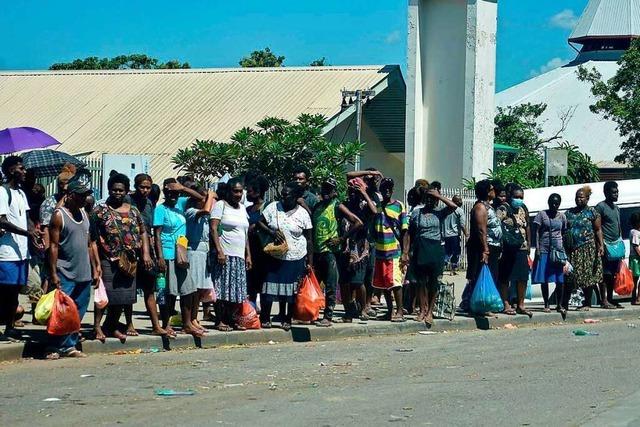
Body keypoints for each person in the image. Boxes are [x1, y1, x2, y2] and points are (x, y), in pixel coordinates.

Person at [92, 172, 153, 341]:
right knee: (104, 296)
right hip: (108, 259)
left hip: (130, 260)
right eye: (114, 190)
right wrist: (96, 263)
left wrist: (146, 254)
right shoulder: (100, 211)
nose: (117, 193)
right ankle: (97, 327)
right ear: (109, 190)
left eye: (121, 190)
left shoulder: (133, 211)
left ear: (126, 191)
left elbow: (143, 232)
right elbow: (92, 237)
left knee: (122, 298)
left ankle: (111, 327)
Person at [46, 178, 101, 358]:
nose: (83, 199)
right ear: (70, 196)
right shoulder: (59, 215)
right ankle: (53, 347)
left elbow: (88, 244)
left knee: (78, 311)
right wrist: (53, 273)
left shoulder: (85, 214)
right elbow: (53, 246)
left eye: (85, 196)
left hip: (83, 272)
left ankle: (69, 346)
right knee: (60, 312)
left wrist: (95, 267)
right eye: (79, 196)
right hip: (65, 271)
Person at [154, 178, 205, 337]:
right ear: (164, 192)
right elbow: (157, 234)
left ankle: (187, 323)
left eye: (175, 192)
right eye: (169, 192)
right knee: (169, 292)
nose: (173, 195)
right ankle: (166, 323)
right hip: (168, 253)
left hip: (182, 254)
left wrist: (182, 187)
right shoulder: (160, 209)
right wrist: (160, 257)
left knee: (188, 289)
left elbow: (200, 198)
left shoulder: (181, 204)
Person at [259, 182, 313, 330]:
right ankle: (265, 317)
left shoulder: (303, 213)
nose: (283, 197)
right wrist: (271, 232)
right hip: (275, 256)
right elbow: (259, 222)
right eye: (282, 194)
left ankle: (286, 318)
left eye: (287, 195)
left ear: (296, 197)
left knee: (289, 291)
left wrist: (309, 261)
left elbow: (309, 239)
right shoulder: (273, 207)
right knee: (269, 287)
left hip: (295, 257)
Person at [0, 156, 43, 340]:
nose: (24, 172)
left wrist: (33, 234)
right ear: (11, 170)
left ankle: (10, 327)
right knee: (5, 292)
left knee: (15, 292)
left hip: (21, 252)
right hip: (7, 253)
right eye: (21, 168)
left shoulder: (20, 193)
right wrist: (26, 233)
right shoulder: (2, 192)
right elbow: (2, 221)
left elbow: (26, 219)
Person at [402, 186, 458, 327]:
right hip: (421, 248)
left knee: (433, 282)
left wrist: (438, 196)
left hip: (436, 248)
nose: (429, 201)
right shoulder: (417, 213)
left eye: (432, 199)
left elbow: (453, 206)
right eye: (428, 198)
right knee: (421, 282)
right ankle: (422, 310)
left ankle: (430, 311)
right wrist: (406, 252)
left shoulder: (440, 213)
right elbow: (409, 233)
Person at [312, 178, 362, 326]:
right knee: (314, 283)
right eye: (324, 189)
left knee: (331, 284)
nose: (326, 192)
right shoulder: (318, 206)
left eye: (329, 190)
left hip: (331, 252)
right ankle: (310, 312)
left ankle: (328, 316)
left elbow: (358, 222)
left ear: (334, 192)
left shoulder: (337, 206)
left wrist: (341, 239)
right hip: (317, 250)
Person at [210, 178, 252, 331]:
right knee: (222, 290)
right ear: (229, 191)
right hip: (225, 255)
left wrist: (248, 255)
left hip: (239, 256)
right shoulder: (220, 205)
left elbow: (245, 233)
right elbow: (213, 228)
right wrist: (219, 250)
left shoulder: (242, 208)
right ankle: (220, 320)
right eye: (235, 191)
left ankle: (231, 319)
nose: (238, 194)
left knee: (236, 291)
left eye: (240, 191)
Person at [130, 174, 165, 336]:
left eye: (147, 187)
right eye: (142, 187)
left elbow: (149, 231)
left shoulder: (150, 203)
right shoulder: (127, 201)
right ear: (135, 186)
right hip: (130, 249)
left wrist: (153, 253)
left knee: (149, 289)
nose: (144, 190)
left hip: (147, 251)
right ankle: (129, 324)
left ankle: (156, 326)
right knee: (129, 290)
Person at [339, 178, 378, 322]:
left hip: (360, 247)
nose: (353, 193)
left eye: (356, 190)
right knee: (344, 281)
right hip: (345, 246)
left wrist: (364, 193)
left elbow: (375, 211)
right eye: (351, 190)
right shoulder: (345, 205)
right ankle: (348, 311)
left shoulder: (364, 205)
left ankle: (363, 308)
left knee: (357, 281)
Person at [347, 168, 384, 315]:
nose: (372, 181)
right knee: (357, 276)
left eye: (374, 179)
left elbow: (376, 212)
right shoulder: (355, 192)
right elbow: (349, 175)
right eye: (368, 178)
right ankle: (359, 305)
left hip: (371, 240)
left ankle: (367, 304)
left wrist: (364, 194)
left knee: (369, 276)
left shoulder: (376, 196)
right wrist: (368, 173)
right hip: (357, 240)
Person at [461, 179, 501, 313]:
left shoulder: (488, 206)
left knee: (489, 276)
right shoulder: (480, 207)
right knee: (479, 275)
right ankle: (474, 305)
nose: (493, 191)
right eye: (491, 189)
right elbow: (481, 230)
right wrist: (485, 249)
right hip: (482, 248)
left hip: (492, 247)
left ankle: (484, 305)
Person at [372, 178, 408, 322]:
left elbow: (405, 231)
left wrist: (405, 253)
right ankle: (389, 311)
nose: (387, 190)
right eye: (384, 188)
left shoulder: (399, 206)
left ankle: (400, 311)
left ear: (392, 190)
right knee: (385, 283)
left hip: (394, 250)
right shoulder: (377, 207)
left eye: (389, 188)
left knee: (395, 282)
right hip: (380, 250)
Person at [565, 186, 603, 311]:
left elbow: (598, 230)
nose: (578, 199)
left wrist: (601, 245)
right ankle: (564, 302)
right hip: (573, 250)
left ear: (587, 198)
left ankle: (587, 303)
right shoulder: (569, 213)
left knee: (587, 276)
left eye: (581, 197)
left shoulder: (592, 212)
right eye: (577, 197)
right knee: (572, 276)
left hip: (588, 248)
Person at [496, 185, 532, 317]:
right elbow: (495, 224)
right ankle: (506, 304)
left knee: (522, 277)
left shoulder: (524, 208)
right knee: (506, 277)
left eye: (521, 197)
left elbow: (527, 226)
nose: (519, 199)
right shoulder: (503, 208)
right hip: (508, 248)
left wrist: (528, 244)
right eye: (516, 197)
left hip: (521, 248)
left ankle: (521, 304)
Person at [532, 193, 569, 318]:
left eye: (557, 203)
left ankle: (559, 304)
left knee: (560, 279)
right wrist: (537, 248)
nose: (555, 205)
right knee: (545, 278)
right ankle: (546, 303)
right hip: (544, 249)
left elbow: (563, 232)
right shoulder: (542, 215)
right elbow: (536, 232)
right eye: (552, 203)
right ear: (548, 203)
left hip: (558, 251)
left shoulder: (562, 217)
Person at [185, 186, 216, 330]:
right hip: (194, 251)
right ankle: (190, 318)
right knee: (194, 288)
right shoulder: (192, 212)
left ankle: (195, 318)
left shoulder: (204, 216)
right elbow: (206, 210)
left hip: (203, 252)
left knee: (200, 290)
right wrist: (210, 195)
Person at [596, 181, 624, 309]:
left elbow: (618, 227)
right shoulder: (600, 207)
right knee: (604, 274)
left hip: (616, 247)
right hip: (605, 246)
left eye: (617, 191)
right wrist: (600, 245)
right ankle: (604, 300)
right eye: (613, 192)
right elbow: (597, 227)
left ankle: (611, 299)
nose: (616, 194)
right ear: (606, 193)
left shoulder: (616, 208)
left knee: (613, 274)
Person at [246, 176, 270, 309]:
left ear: (258, 192)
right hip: (251, 250)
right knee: (251, 284)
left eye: (249, 191)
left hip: (263, 251)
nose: (247, 194)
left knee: (263, 283)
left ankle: (264, 313)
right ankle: (252, 310)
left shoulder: (267, 207)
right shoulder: (248, 209)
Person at [443, 195, 467, 275]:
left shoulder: (445, 210)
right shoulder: (459, 210)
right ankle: (452, 270)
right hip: (454, 235)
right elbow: (462, 224)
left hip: (445, 235)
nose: (461, 202)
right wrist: (467, 234)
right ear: (454, 201)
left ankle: (442, 267)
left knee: (447, 252)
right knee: (455, 253)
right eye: (458, 200)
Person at [629, 213, 640, 305]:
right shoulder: (635, 232)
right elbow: (636, 246)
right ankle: (636, 298)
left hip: (635, 258)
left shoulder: (634, 231)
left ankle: (635, 298)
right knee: (635, 279)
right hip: (636, 259)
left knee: (635, 280)